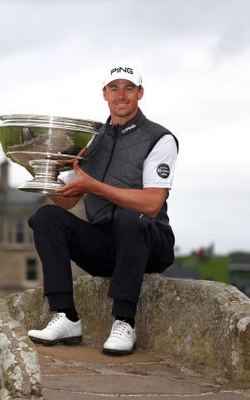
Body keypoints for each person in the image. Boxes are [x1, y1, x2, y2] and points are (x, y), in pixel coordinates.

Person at [27, 66, 178, 355]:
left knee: (130, 216)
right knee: (45, 217)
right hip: (105, 247)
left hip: (149, 242)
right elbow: (68, 200)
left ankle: (124, 320)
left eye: (128, 88)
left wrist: (94, 186)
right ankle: (65, 316)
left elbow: (151, 204)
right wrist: (40, 174)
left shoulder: (159, 138)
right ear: (104, 94)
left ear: (140, 93)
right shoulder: (90, 140)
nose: (121, 95)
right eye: (114, 88)